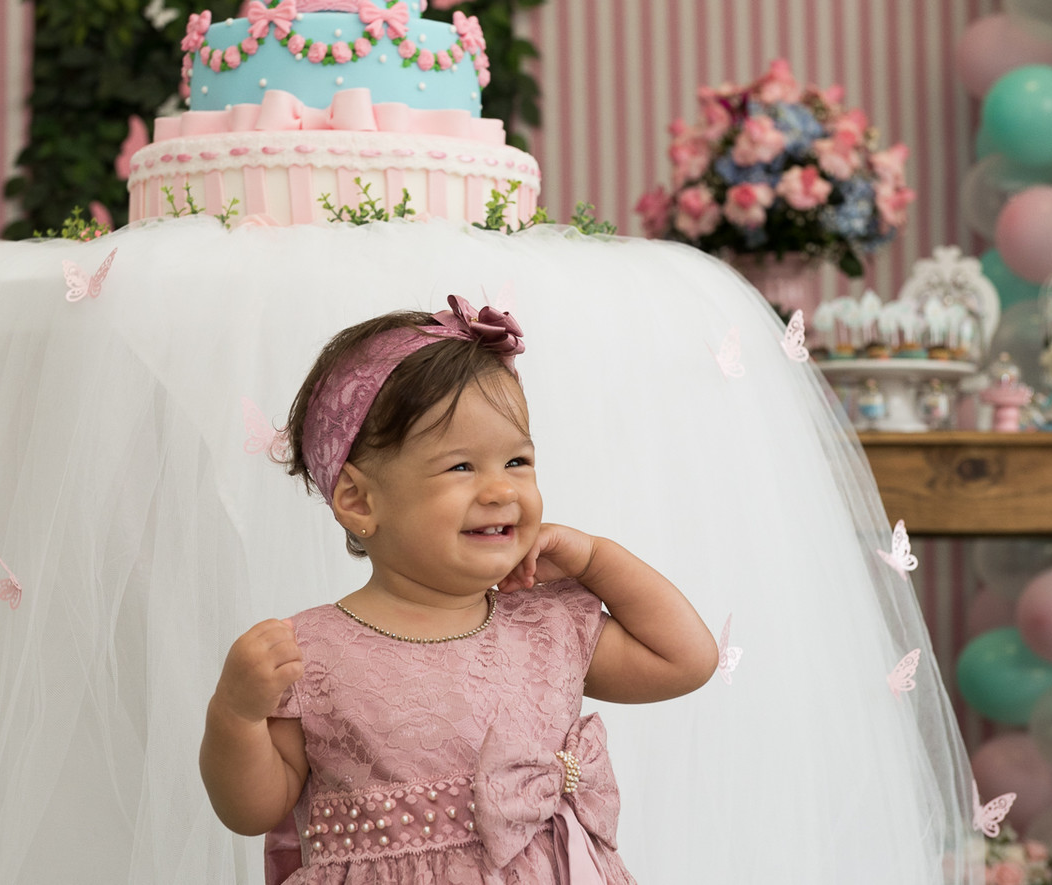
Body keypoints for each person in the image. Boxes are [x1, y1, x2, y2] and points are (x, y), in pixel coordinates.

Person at [199, 294, 720, 884]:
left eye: (517, 461)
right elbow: (252, 811)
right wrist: (236, 715)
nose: (501, 490)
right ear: (359, 501)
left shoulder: (544, 626)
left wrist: (597, 558)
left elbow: (686, 660)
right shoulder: (312, 653)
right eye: (461, 467)